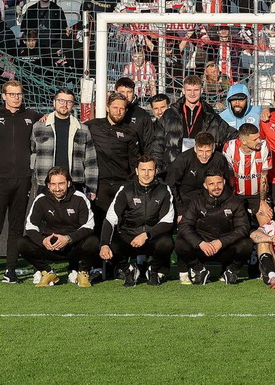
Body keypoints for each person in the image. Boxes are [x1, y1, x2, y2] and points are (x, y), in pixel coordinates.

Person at [99, 156, 175, 287]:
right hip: (129, 236)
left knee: (167, 242)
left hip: (151, 237)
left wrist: (146, 235)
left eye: (150, 170)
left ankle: (153, 270)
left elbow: (167, 221)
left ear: (156, 171)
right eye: (143, 169)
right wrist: (104, 244)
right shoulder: (125, 190)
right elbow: (110, 218)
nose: (146, 174)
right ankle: (129, 270)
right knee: (111, 244)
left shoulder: (164, 190)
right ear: (137, 171)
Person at [20, 167, 98, 288]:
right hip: (50, 246)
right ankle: (47, 272)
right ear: (48, 185)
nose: (57, 188)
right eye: (53, 184)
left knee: (93, 241)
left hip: (73, 246)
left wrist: (69, 238)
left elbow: (89, 225)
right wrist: (42, 241)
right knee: (22, 243)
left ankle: (83, 273)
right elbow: (30, 226)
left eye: (61, 183)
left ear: (68, 183)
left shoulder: (79, 198)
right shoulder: (41, 199)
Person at [176, 169, 253, 285]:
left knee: (246, 245)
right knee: (180, 243)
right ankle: (199, 270)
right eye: (211, 184)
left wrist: (221, 242)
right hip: (203, 247)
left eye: (219, 183)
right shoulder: (197, 201)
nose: (216, 187)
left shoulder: (235, 201)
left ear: (224, 182)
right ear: (205, 185)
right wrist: (200, 243)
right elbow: (184, 225)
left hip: (225, 247)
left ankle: (231, 271)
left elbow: (243, 228)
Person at [0, 79, 43, 282]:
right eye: (12, 94)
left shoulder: (32, 116)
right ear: (4, 95)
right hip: (0, 179)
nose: (16, 98)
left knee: (17, 226)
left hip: (23, 179)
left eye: (19, 94)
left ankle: (10, 270)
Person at [31, 89, 98, 198]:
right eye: (61, 101)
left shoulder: (82, 130)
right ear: (54, 102)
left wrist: (91, 188)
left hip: (74, 183)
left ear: (72, 105)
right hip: (46, 183)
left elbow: (91, 162)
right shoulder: (39, 127)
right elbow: (30, 150)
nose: (65, 105)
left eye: (69, 102)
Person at [156, 74, 231, 168]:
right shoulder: (169, 114)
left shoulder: (211, 115)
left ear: (201, 91)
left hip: (201, 167)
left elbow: (230, 134)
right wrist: (158, 169)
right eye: (189, 90)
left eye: (196, 90)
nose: (192, 94)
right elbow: (157, 143)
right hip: (174, 167)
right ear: (183, 91)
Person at [86, 93, 144, 212]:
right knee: (99, 224)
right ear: (108, 107)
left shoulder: (130, 133)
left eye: (122, 108)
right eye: (115, 107)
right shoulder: (92, 126)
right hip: (99, 185)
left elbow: (134, 162)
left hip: (121, 183)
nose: (118, 111)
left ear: (126, 110)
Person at [222, 123, 272, 226]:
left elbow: (264, 177)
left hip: (257, 194)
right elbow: (229, 175)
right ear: (243, 141)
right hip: (236, 195)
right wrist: (229, 200)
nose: (259, 141)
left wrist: (263, 202)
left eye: (259, 137)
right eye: (255, 140)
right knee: (230, 226)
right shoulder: (229, 147)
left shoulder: (264, 147)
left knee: (267, 227)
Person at [165, 131, 233, 205]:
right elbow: (171, 184)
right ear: (195, 148)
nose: (204, 155)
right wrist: (179, 210)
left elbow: (226, 186)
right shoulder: (183, 159)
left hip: (211, 201)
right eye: (200, 151)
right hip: (186, 201)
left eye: (208, 151)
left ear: (213, 149)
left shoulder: (220, 160)